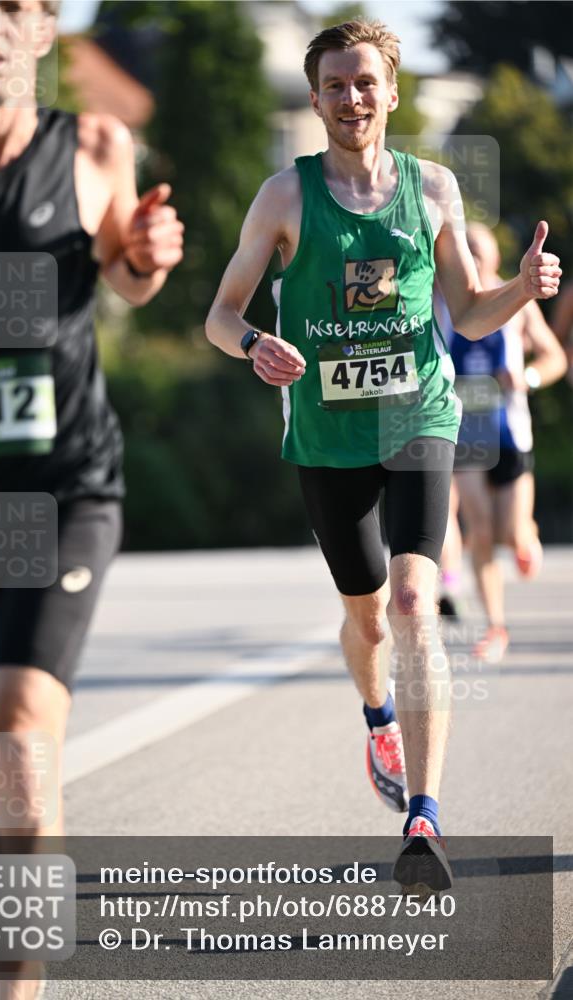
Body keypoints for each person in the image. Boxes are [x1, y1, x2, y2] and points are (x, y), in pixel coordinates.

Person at [205, 18, 561, 891]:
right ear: (318, 97)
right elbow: (219, 313)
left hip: (418, 420)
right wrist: (253, 343)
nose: (350, 98)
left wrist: (518, 289)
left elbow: (469, 313)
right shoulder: (283, 197)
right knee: (366, 617)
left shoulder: (433, 188)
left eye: (365, 83)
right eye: (333, 85)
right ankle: (377, 718)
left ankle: (424, 816)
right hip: (327, 438)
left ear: (391, 92)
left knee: (411, 600)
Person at [0, 1, 183, 996]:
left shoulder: (95, 142)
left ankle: (9, 965)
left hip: (62, 480)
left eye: (17, 7)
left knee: (26, 723)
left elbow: (123, 270)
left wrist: (145, 255)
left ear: (44, 31)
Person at [438, 223, 567, 663]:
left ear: (494, 257)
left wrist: (527, 378)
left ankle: (526, 538)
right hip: (466, 431)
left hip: (510, 430)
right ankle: (495, 626)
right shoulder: (442, 302)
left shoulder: (517, 300)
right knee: (481, 530)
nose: (471, 257)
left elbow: (555, 358)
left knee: (512, 533)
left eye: (479, 250)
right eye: (465, 249)